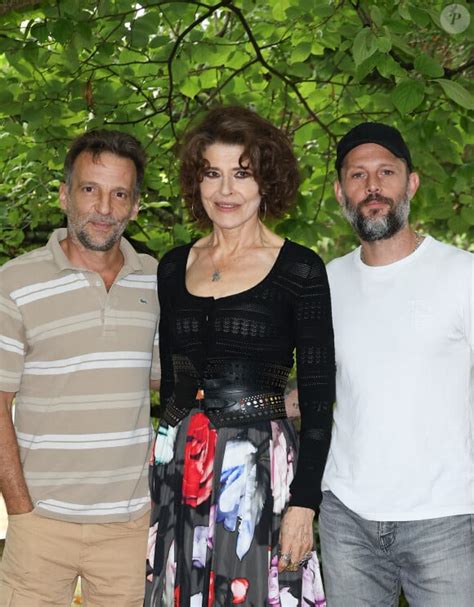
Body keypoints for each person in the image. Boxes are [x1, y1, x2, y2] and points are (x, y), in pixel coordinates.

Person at [145, 106, 335, 606]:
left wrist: (304, 504)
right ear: (196, 181)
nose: (226, 190)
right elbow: (171, 387)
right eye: (212, 173)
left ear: (266, 182)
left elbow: (318, 400)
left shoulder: (300, 269)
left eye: (242, 174)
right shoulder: (172, 267)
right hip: (178, 461)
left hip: (258, 473)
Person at [0, 130, 160, 607]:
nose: (104, 208)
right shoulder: (14, 282)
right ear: (65, 195)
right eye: (90, 190)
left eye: (119, 194)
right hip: (40, 525)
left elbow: (167, 381)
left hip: (131, 527)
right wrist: (20, 510)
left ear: (135, 206)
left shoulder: (158, 281)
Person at [319, 122, 474, 606]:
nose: (372, 186)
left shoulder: (462, 274)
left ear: (411, 183)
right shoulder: (325, 283)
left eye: (386, 172)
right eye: (358, 174)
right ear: (341, 192)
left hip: (445, 517)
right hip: (346, 518)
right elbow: (329, 388)